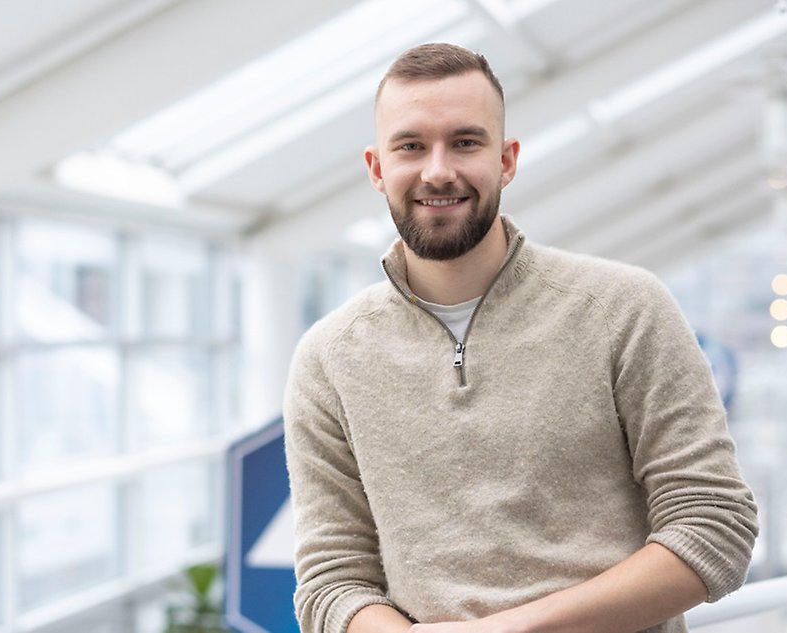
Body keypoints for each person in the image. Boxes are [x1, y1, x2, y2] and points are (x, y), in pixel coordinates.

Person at [283, 42, 758, 633]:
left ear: (506, 160)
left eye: (465, 142)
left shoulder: (623, 308)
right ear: (377, 168)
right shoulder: (330, 357)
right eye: (411, 146)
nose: (437, 170)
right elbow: (332, 581)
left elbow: (714, 526)